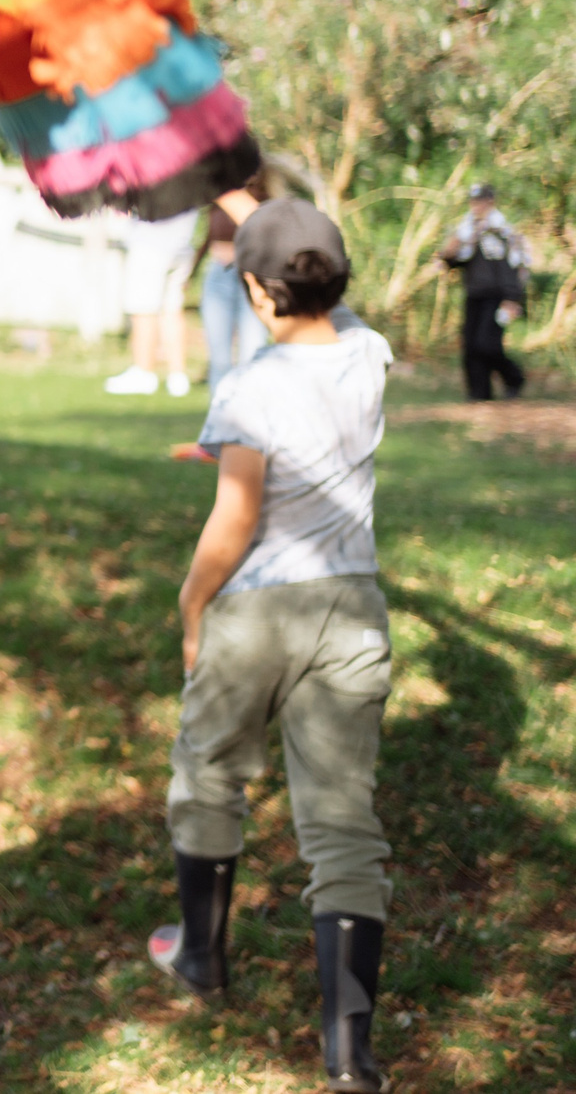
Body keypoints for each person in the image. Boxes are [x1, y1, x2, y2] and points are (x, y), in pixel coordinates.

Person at [149, 198, 394, 1094]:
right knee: (342, 822)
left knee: (210, 767)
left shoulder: (250, 385)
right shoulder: (368, 353)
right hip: (353, 607)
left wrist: (190, 600)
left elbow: (238, 517)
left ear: (256, 289)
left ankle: (202, 959)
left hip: (258, 609)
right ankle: (349, 1055)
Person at [441, 182, 530, 401]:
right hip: (474, 294)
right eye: (473, 201)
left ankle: (514, 377)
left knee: (487, 344)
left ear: (490, 202)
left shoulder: (502, 231)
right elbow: (453, 260)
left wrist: (512, 298)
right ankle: (479, 394)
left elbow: (512, 267)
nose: (476, 206)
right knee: (471, 346)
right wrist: (453, 245)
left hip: (497, 296)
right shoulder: (467, 229)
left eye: (480, 201)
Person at [106, 209, 197, 397]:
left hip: (152, 244)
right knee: (171, 309)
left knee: (143, 310)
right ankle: (177, 376)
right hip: (181, 242)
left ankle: (143, 371)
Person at [193, 179, 268, 397]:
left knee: (251, 353)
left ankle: (249, 412)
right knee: (219, 359)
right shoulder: (216, 201)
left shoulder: (260, 202)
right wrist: (191, 273)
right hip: (218, 273)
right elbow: (207, 239)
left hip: (250, 276)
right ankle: (219, 417)